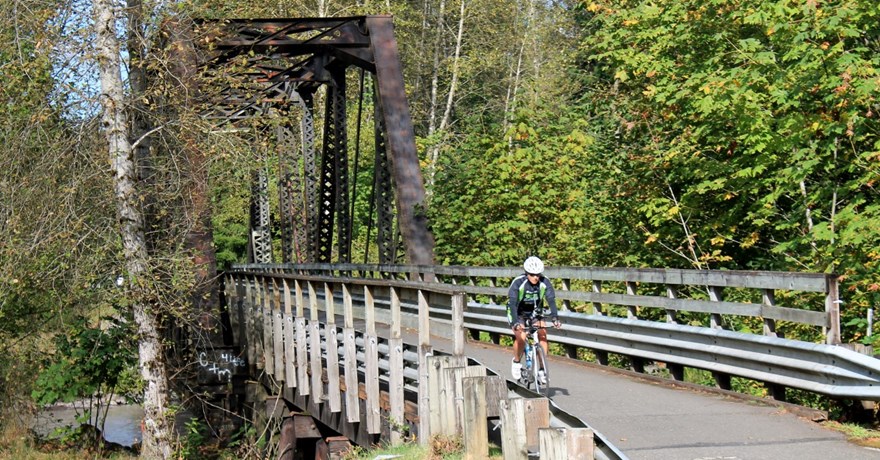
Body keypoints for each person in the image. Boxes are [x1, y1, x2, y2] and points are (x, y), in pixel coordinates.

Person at [507, 256, 561, 383]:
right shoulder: (518, 283)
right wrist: (515, 323)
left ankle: (542, 369)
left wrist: (555, 318)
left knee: (542, 335)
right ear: (526, 273)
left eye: (538, 274)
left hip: (535, 312)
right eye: (532, 274)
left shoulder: (544, 282)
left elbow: (551, 301)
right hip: (518, 312)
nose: (535, 277)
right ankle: (516, 361)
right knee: (521, 337)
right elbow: (513, 303)